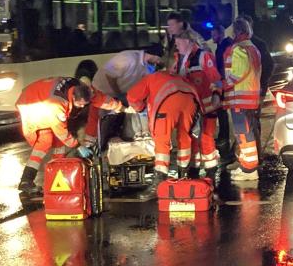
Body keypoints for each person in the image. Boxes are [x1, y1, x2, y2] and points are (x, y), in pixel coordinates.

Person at [126, 71, 203, 199]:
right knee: (185, 137)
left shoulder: (150, 78)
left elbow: (132, 96)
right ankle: (184, 176)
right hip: (190, 99)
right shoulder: (177, 77)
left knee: (162, 141)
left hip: (166, 102)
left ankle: (159, 184)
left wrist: (140, 108)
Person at [16, 77, 93, 195]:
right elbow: (61, 132)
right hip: (33, 105)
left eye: (85, 104)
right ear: (73, 97)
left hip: (37, 97)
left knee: (51, 142)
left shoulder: (78, 87)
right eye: (80, 104)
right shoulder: (57, 105)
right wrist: (77, 145)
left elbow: (100, 98)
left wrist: (120, 107)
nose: (82, 107)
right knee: (50, 141)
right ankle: (50, 177)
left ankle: (30, 180)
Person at [85, 44, 164, 148]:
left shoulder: (147, 66)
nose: (159, 63)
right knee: (99, 118)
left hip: (121, 93)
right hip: (103, 89)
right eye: (159, 60)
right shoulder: (128, 59)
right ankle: (90, 145)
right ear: (154, 55)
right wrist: (118, 94)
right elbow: (110, 76)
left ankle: (107, 143)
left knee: (115, 119)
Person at [171, 30, 223, 176]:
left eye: (178, 43)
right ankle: (193, 168)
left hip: (207, 106)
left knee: (206, 137)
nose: (176, 46)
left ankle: (211, 171)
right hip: (190, 108)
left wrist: (216, 95)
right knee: (190, 137)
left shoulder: (202, 56)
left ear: (187, 41)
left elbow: (215, 78)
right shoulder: (179, 60)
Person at [223, 18, 262, 181]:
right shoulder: (252, 47)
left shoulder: (238, 49)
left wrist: (222, 84)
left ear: (236, 32)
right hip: (250, 97)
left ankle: (249, 170)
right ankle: (246, 164)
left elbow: (237, 74)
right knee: (246, 132)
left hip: (240, 98)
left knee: (243, 133)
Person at [239, 15, 274, 159]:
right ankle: (250, 154)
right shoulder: (244, 45)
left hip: (253, 90)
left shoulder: (257, 44)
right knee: (246, 124)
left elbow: (268, 66)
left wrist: (262, 85)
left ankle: (255, 155)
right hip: (247, 91)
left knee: (252, 122)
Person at [212, 24, 235, 165]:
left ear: (220, 34)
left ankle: (224, 138)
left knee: (223, 111)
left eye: (214, 34)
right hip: (222, 82)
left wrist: (221, 82)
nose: (212, 37)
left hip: (224, 83)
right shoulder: (222, 46)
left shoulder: (225, 46)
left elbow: (223, 67)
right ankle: (223, 136)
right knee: (221, 111)